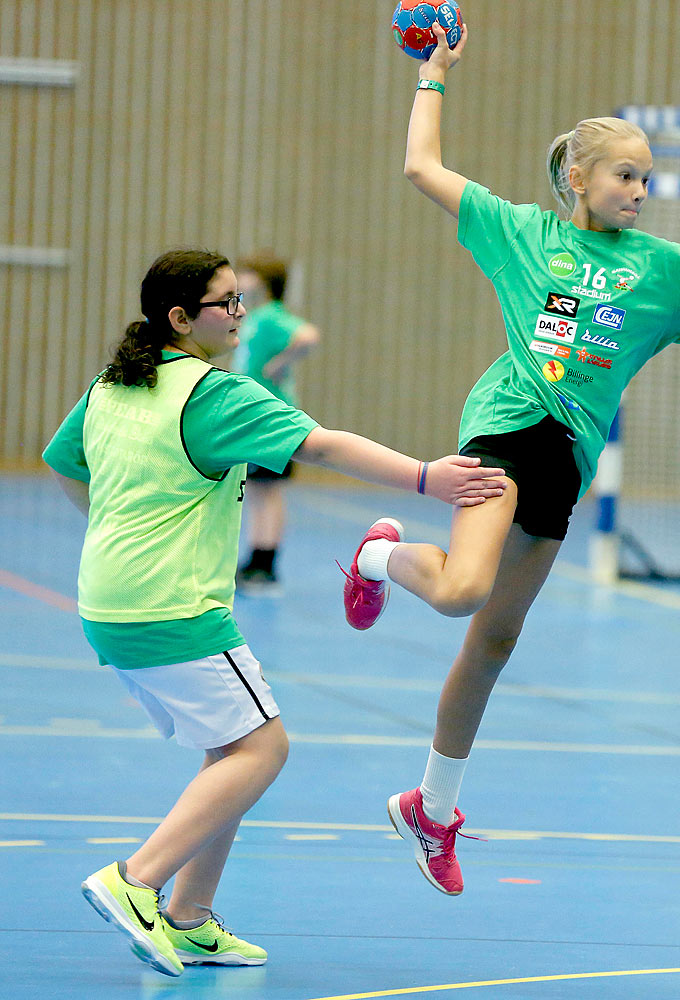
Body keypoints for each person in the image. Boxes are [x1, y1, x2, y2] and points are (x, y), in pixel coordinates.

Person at [338, 23, 680, 898]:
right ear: (579, 179)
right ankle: (377, 554)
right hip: (508, 423)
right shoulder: (524, 234)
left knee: (494, 638)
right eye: (625, 174)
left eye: (646, 177)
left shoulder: (663, 270)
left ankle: (432, 808)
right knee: (458, 593)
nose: (640, 189)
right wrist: (433, 78)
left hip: (569, 456)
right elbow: (422, 167)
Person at [43, 247, 504, 977]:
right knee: (263, 749)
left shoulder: (111, 383)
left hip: (106, 600)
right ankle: (136, 881)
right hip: (174, 608)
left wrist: (114, 527)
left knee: (229, 749)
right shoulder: (214, 394)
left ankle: (190, 918)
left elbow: (65, 464)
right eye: (226, 303)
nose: (239, 314)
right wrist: (425, 478)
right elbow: (323, 444)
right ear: (180, 318)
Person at [234, 250, 320, 595]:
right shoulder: (257, 316)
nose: (241, 278)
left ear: (265, 279)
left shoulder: (272, 316)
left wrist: (282, 362)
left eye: (249, 273)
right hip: (254, 418)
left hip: (271, 418)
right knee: (258, 490)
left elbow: (309, 335)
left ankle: (265, 563)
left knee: (267, 490)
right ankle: (256, 557)